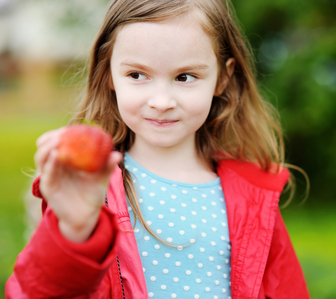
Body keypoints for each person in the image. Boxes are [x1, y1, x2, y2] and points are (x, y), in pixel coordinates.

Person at [6, 0, 310, 298]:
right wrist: (74, 230)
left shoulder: (252, 195)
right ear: (109, 72)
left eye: (184, 77)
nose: (161, 101)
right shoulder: (92, 193)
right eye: (137, 75)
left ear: (223, 77)